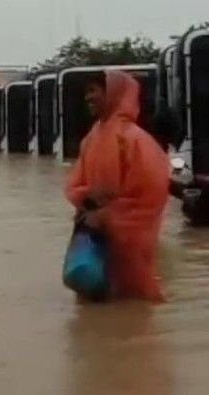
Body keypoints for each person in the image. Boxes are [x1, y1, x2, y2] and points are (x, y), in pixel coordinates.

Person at [65, 70, 170, 302]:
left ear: (112, 93)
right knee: (94, 300)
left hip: (128, 238)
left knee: (133, 302)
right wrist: (86, 209)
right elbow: (80, 182)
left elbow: (151, 191)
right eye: (86, 92)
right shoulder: (92, 137)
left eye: (94, 90)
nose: (88, 98)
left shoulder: (134, 139)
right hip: (94, 235)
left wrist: (108, 216)